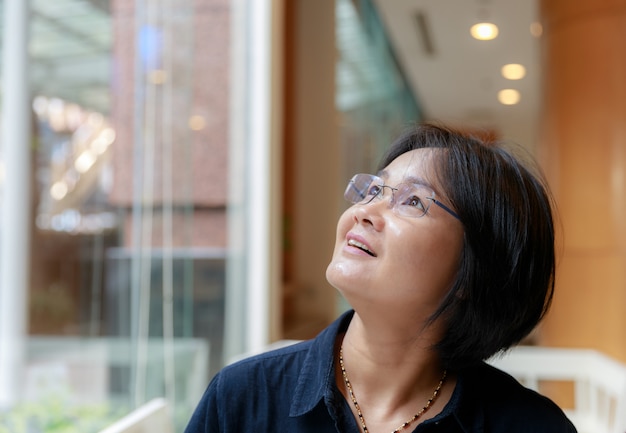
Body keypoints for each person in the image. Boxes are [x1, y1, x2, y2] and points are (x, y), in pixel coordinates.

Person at [184, 122, 577, 432]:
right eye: (374, 190)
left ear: (475, 270)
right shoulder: (242, 399)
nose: (364, 211)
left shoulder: (532, 425)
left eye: (412, 201)